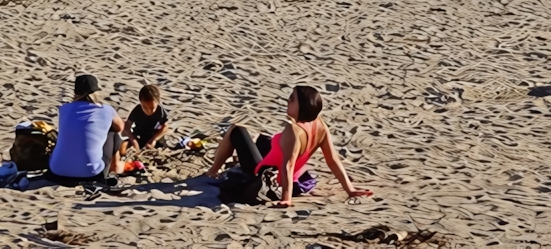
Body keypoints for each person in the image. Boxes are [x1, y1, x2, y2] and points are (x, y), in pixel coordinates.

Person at [204, 86, 372, 207]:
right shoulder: (320, 124)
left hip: (264, 173)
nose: (288, 101)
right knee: (264, 140)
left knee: (237, 129)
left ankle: (213, 171)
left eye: (292, 99)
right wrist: (349, 189)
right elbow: (332, 160)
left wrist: (286, 198)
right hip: (286, 170)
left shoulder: (293, 130)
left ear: (302, 107)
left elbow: (287, 165)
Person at [48, 74, 125, 183]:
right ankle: (115, 166)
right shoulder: (106, 109)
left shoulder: (64, 109)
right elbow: (120, 127)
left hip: (57, 171)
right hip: (91, 174)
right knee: (112, 131)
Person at [123, 83, 170, 153]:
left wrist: (154, 139)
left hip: (154, 137)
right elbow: (127, 126)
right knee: (123, 145)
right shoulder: (137, 110)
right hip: (139, 136)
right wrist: (133, 140)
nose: (148, 111)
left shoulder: (161, 112)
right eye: (144, 107)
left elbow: (165, 127)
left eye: (152, 108)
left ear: (158, 102)